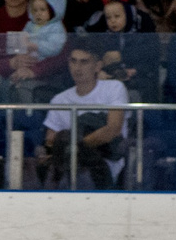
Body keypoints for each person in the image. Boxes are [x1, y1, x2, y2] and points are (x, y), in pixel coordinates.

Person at [39, 43, 130, 187]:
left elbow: (113, 129)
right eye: (73, 61)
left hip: (103, 162)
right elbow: (50, 139)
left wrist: (75, 146)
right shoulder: (59, 99)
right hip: (66, 163)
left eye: (84, 62)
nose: (77, 67)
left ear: (97, 66)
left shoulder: (114, 88)